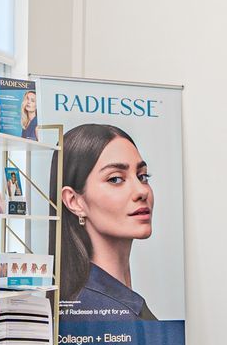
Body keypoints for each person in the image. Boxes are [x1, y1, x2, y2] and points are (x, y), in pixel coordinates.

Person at [58, 123, 157, 319]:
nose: (141, 191)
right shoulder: (98, 310)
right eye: (115, 179)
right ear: (74, 201)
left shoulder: (111, 302)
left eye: (142, 176)